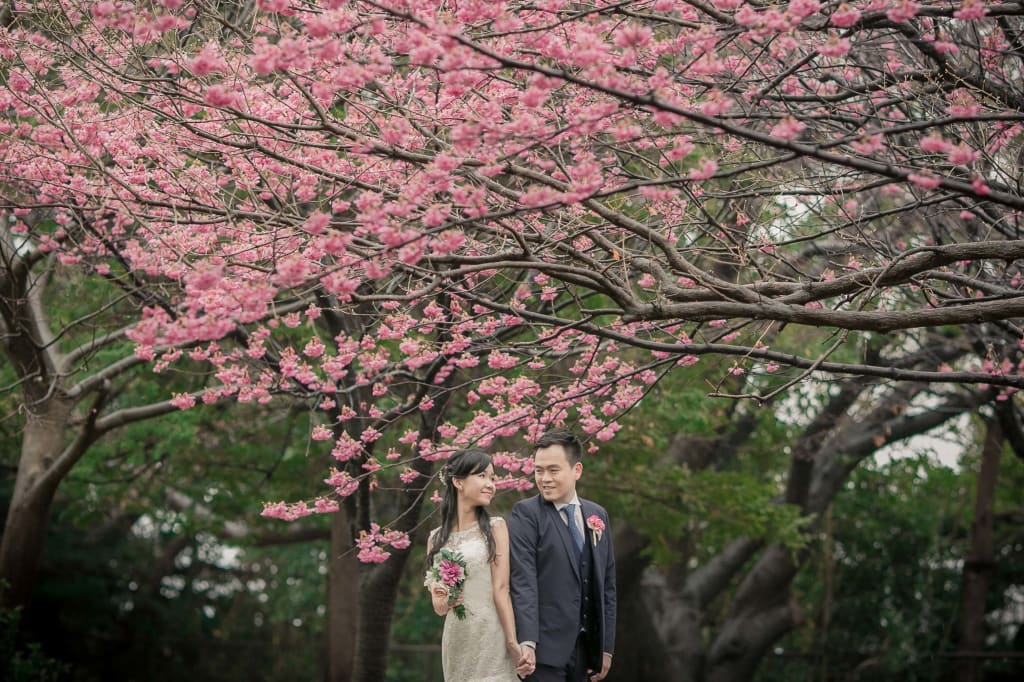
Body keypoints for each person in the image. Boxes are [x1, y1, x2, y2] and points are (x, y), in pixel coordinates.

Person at [509, 428, 616, 682]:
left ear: (576, 470)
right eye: (538, 470)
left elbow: (608, 586)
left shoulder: (597, 515)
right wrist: (527, 642)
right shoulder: (526, 514)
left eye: (553, 470)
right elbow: (524, 581)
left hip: (587, 654)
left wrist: (606, 648)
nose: (544, 478)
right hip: (542, 653)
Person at [425, 448, 531, 681]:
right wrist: (445, 599)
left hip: (491, 633)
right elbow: (439, 609)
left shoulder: (496, 528)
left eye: (492, 478)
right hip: (457, 637)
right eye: (482, 476)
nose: (490, 484)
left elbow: (502, 590)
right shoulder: (435, 539)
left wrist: (512, 642)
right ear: (458, 482)